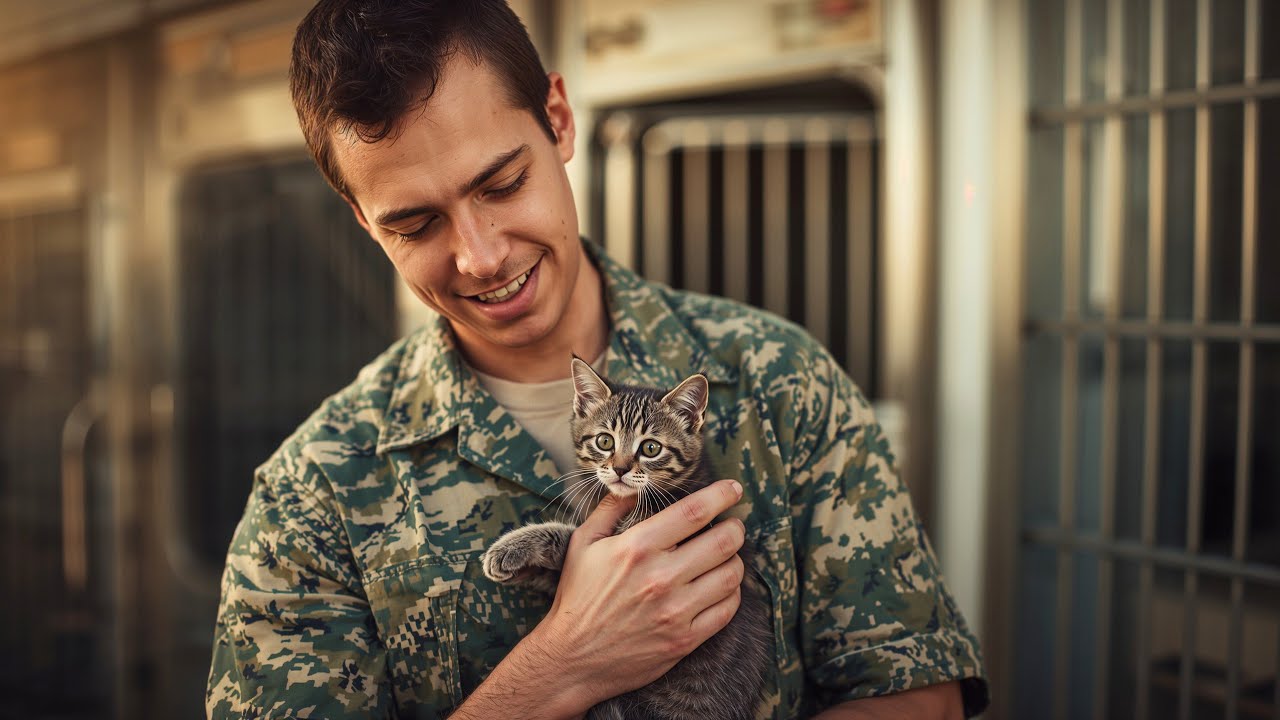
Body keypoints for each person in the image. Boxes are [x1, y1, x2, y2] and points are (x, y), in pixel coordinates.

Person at [206, 1, 988, 718]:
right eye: (414, 225)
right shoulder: (310, 498)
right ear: (362, 220)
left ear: (559, 118)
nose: (479, 257)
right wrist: (561, 667)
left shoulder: (779, 379)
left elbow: (919, 701)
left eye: (503, 183)